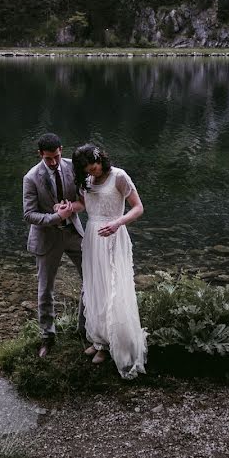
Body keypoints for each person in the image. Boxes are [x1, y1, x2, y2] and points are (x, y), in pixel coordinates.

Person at [68, 143, 147, 379]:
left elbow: (138, 208)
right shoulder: (87, 181)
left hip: (113, 235)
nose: (91, 172)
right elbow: (85, 205)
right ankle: (100, 339)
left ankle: (116, 344)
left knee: (113, 287)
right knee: (95, 287)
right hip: (92, 236)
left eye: (93, 167)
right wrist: (69, 207)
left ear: (100, 159)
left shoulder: (119, 177)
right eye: (86, 170)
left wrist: (117, 223)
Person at [22, 133, 85, 359]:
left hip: (74, 234)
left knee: (92, 278)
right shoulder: (31, 178)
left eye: (56, 156)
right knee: (45, 290)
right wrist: (56, 216)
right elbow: (29, 214)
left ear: (61, 149)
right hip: (47, 238)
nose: (53, 162)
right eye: (48, 159)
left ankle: (84, 329)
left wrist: (72, 208)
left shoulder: (72, 167)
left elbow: (83, 201)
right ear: (40, 155)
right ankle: (47, 338)